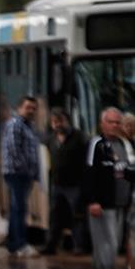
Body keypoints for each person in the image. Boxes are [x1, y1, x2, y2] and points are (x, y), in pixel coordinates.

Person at [83, 108, 133, 269]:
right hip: (102, 203)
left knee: (112, 242)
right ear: (102, 123)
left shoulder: (124, 144)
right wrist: (92, 200)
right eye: (110, 122)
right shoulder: (96, 144)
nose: (114, 125)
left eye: (117, 122)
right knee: (107, 243)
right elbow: (88, 173)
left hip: (120, 202)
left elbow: (128, 170)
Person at [42, 108, 89, 255]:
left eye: (60, 121)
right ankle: (51, 246)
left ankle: (79, 247)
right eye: (54, 122)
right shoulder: (51, 139)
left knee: (77, 216)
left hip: (75, 185)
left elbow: (87, 162)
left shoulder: (80, 138)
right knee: (55, 217)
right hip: (57, 185)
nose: (57, 125)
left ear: (67, 121)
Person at [0, 96, 41, 257]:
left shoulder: (29, 126)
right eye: (28, 107)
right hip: (16, 173)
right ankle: (19, 244)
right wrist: (25, 170)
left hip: (25, 173)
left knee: (16, 208)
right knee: (19, 208)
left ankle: (12, 243)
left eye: (33, 108)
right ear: (19, 108)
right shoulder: (15, 124)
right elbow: (14, 150)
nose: (31, 111)